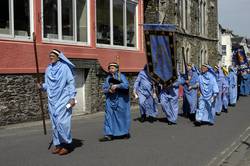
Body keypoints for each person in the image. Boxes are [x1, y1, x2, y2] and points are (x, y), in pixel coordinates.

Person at [38, 49, 76, 155]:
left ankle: (67, 144)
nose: (51, 57)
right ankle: (58, 144)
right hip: (52, 100)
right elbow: (48, 85)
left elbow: (70, 82)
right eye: (49, 55)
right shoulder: (48, 69)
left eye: (53, 55)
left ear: (59, 57)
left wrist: (72, 97)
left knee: (62, 122)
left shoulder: (65, 68)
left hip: (64, 98)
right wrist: (42, 86)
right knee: (55, 123)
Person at [99, 62, 131, 142]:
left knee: (121, 117)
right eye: (110, 68)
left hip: (121, 101)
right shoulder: (108, 78)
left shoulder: (121, 76)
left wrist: (117, 86)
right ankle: (108, 134)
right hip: (110, 100)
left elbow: (126, 85)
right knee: (108, 117)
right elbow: (104, 88)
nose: (111, 69)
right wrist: (109, 90)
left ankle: (124, 133)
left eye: (113, 68)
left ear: (117, 69)